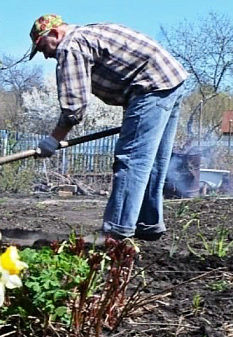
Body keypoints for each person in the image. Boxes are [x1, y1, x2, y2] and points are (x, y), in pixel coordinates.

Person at [29, 14, 187, 241]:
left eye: (43, 47)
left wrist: (53, 139)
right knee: (152, 161)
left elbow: (74, 107)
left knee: (131, 160)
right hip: (170, 79)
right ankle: (147, 225)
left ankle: (115, 233)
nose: (45, 55)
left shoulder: (70, 46)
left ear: (55, 34)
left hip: (149, 88)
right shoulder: (89, 33)